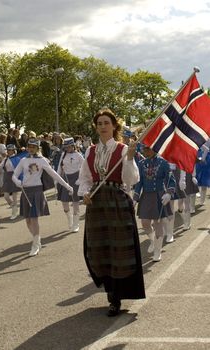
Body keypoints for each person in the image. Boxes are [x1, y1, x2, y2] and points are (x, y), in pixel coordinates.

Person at [78, 108, 145, 317]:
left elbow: (130, 179)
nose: (103, 127)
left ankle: (116, 298)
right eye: (99, 123)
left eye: (106, 123)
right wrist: (85, 194)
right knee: (100, 249)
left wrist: (131, 158)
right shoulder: (90, 151)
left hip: (117, 203)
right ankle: (110, 293)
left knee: (118, 250)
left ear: (114, 126)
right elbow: (85, 178)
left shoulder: (123, 149)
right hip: (97, 205)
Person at [12, 138, 73, 257]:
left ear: (37, 148)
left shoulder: (42, 160)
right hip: (26, 192)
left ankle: (35, 244)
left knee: (34, 219)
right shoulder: (23, 160)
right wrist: (17, 182)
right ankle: (37, 238)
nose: (31, 149)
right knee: (28, 220)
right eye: (29, 146)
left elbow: (54, 174)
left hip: (37, 191)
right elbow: (14, 175)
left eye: (33, 147)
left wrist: (66, 185)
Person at [133, 146, 176, 262]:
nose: (145, 151)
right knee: (145, 223)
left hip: (159, 196)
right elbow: (139, 182)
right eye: (144, 149)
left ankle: (157, 251)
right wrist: (135, 198)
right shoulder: (141, 163)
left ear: (154, 149)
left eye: (147, 149)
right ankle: (153, 240)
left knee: (158, 224)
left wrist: (169, 193)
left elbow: (171, 180)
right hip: (146, 196)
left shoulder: (163, 162)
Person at [57, 137, 84, 232]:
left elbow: (85, 168)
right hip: (66, 180)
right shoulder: (63, 155)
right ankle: (70, 220)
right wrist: (57, 179)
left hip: (76, 179)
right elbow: (59, 168)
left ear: (73, 146)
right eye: (66, 147)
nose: (67, 148)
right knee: (64, 203)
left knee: (75, 202)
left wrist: (80, 179)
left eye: (69, 146)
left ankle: (76, 224)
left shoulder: (78, 155)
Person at [0, 144, 21, 219]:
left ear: (13, 150)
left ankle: (14, 212)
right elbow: (0, 167)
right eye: (8, 150)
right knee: (6, 196)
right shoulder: (6, 159)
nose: (9, 151)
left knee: (14, 196)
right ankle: (14, 207)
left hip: (14, 176)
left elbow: (19, 168)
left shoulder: (17, 158)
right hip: (7, 177)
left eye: (10, 150)